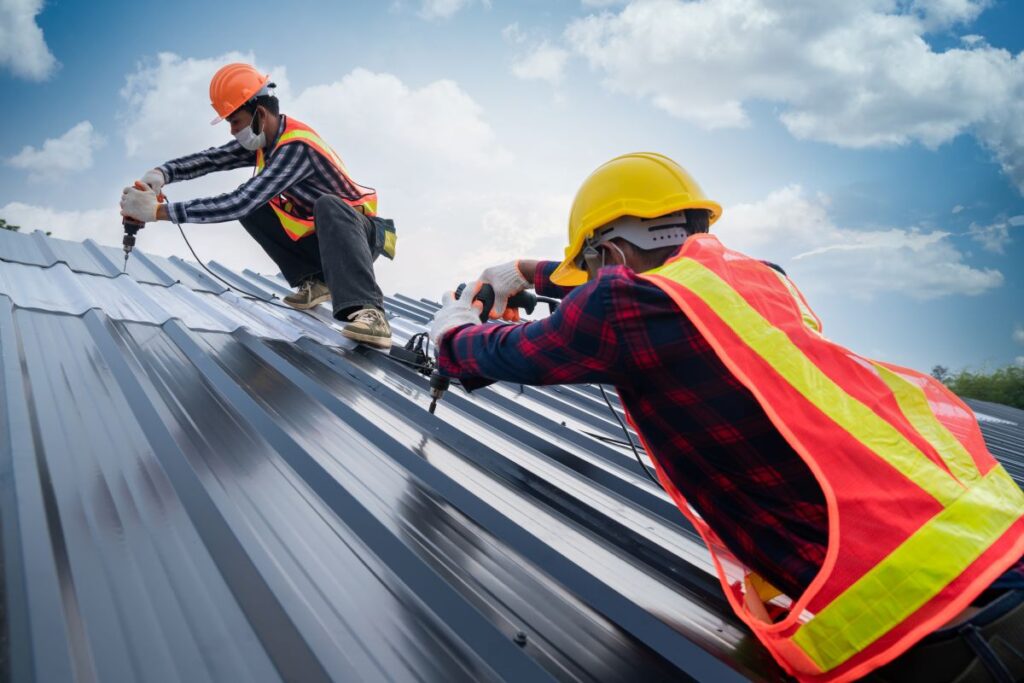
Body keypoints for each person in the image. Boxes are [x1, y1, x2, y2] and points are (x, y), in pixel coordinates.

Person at [430, 152, 1024, 682]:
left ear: (606, 254)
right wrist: (523, 271)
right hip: (995, 552)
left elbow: (503, 350)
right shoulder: (763, 282)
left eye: (591, 266)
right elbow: (632, 293)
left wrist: (452, 331)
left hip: (960, 635)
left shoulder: (619, 310)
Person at [119, 63, 395, 349]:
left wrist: (157, 212)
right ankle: (317, 281)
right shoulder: (266, 140)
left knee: (303, 203)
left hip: (360, 237)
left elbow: (239, 203)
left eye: (235, 121)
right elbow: (212, 159)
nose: (231, 130)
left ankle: (371, 312)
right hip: (326, 241)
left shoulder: (295, 147)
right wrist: (162, 173)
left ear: (259, 115)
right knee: (257, 206)